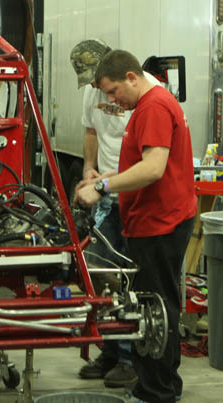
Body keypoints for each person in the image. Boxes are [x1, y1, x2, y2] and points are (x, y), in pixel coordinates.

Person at [76, 49, 196, 403]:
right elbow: (141, 163)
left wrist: (103, 187)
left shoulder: (154, 106)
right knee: (154, 306)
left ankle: (156, 393)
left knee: (155, 311)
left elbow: (154, 168)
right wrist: (106, 175)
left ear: (131, 77)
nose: (113, 101)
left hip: (161, 222)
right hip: (154, 220)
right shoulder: (147, 105)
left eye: (114, 92)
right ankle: (159, 386)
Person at [70, 39, 161, 388]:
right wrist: (89, 169)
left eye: (106, 88)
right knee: (98, 271)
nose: (101, 93)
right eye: (96, 86)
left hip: (133, 195)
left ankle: (128, 358)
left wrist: (109, 184)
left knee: (129, 278)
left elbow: (151, 161)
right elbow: (91, 130)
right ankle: (109, 349)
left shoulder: (147, 96)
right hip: (107, 191)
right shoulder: (94, 90)